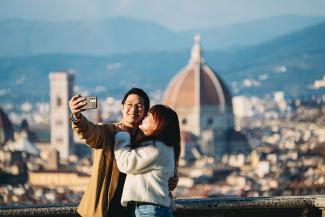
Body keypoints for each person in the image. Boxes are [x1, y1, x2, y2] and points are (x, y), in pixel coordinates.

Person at [68, 88, 178, 217]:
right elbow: (89, 132)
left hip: (133, 210)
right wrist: (77, 116)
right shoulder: (108, 131)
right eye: (129, 104)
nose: (133, 109)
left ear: (146, 112)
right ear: (122, 107)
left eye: (139, 106)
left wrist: (173, 178)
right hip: (105, 208)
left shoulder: (148, 140)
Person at [114, 104, 181, 217]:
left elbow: (125, 163)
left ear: (158, 124)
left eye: (149, 114)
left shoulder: (155, 147)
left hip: (149, 210)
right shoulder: (167, 147)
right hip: (157, 209)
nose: (144, 116)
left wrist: (122, 135)